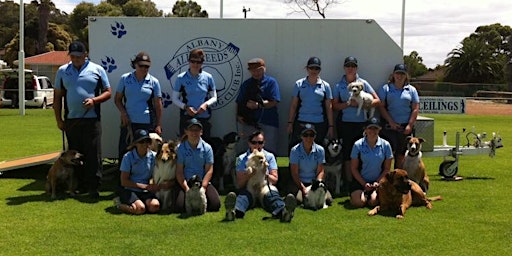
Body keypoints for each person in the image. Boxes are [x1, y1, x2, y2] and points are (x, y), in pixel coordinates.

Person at [53, 41, 112, 198]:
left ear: (85, 55)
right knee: (74, 156)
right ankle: (77, 186)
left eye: (79, 56)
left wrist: (94, 101)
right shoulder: (62, 71)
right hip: (72, 120)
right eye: (72, 56)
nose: (75, 59)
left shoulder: (97, 70)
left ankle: (93, 186)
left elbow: (108, 92)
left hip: (91, 120)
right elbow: (57, 97)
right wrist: (59, 120)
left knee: (93, 154)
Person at [224, 131, 297, 222]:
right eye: (254, 142)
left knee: (272, 196)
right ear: (249, 143)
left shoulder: (269, 156)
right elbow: (239, 184)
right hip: (249, 186)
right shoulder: (241, 158)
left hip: (265, 186)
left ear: (264, 143)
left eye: (260, 142)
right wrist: (250, 174)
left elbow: (274, 180)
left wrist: (265, 173)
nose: (257, 145)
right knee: (243, 197)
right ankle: (233, 211)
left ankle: (284, 211)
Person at [332, 56, 381, 191]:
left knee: (360, 154)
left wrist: (366, 105)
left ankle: (361, 182)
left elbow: (377, 101)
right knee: (347, 153)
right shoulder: (338, 85)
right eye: (348, 66)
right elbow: (334, 106)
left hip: (361, 124)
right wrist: (349, 105)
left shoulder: (363, 83)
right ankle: (349, 183)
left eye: (353, 66)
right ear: (344, 68)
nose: (350, 68)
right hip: (345, 123)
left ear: (356, 68)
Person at [115, 51, 163, 162]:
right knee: (125, 150)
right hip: (128, 121)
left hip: (146, 122)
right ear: (135, 64)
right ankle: (123, 177)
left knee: (145, 151)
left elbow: (158, 104)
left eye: (147, 66)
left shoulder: (154, 82)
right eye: (141, 65)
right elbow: (117, 100)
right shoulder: (125, 79)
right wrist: (123, 113)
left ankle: (145, 177)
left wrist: (159, 124)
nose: (144, 68)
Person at [173, 118, 221, 213]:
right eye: (191, 130)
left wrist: (203, 187)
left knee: (215, 205)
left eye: (197, 130)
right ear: (186, 131)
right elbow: (179, 171)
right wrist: (186, 189)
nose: (194, 133)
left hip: (201, 183)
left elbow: (209, 170)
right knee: (179, 207)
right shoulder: (181, 148)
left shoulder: (207, 148)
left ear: (201, 132)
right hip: (186, 182)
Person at [377, 64, 420, 169]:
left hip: (405, 127)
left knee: (401, 155)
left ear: (406, 76)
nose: (399, 76)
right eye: (397, 73)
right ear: (393, 74)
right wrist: (391, 122)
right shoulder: (385, 88)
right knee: (387, 154)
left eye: (402, 74)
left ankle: (398, 178)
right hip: (389, 127)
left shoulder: (411, 90)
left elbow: (415, 108)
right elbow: (381, 107)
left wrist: (410, 125)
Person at [236, 58, 281, 154]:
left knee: (269, 151)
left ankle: (271, 169)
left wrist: (259, 105)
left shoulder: (271, 82)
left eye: (259, 69)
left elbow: (275, 101)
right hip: (249, 123)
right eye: (253, 70)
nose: (256, 72)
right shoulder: (246, 84)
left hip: (268, 122)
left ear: (264, 69)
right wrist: (239, 116)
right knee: (248, 151)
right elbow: (239, 102)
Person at [287, 56, 334, 150]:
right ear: (307, 68)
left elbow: (329, 108)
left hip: (319, 123)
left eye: (317, 68)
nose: (314, 70)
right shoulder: (299, 84)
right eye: (311, 67)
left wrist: (331, 126)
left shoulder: (325, 86)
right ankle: (289, 165)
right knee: (295, 150)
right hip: (301, 122)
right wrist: (290, 123)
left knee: (318, 151)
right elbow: (293, 105)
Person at [172, 48, 217, 139]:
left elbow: (214, 97)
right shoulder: (181, 78)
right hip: (187, 117)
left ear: (202, 63)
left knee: (204, 145)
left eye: (198, 62)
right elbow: (174, 99)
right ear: (189, 61)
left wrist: (205, 105)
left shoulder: (208, 77)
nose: (195, 64)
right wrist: (186, 107)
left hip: (204, 117)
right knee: (185, 144)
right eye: (193, 61)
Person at [349, 118, 393, 208]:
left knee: (373, 202)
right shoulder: (358, 145)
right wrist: (364, 184)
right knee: (359, 203)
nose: (372, 131)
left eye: (375, 129)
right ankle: (359, 195)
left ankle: (370, 195)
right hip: (360, 181)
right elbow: (354, 168)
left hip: (377, 181)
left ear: (379, 129)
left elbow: (387, 169)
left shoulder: (386, 145)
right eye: (370, 128)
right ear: (365, 129)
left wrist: (377, 182)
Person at [115, 129, 161, 214]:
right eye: (141, 142)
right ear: (135, 143)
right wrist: (145, 186)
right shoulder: (128, 157)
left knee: (155, 206)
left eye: (147, 141)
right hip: (130, 189)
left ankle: (141, 203)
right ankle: (119, 204)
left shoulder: (154, 156)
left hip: (146, 190)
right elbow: (124, 181)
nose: (145, 144)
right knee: (140, 209)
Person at [289, 124, 332, 207]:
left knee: (329, 200)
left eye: (311, 135)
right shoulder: (295, 150)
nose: (308, 138)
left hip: (314, 182)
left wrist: (317, 184)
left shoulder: (320, 150)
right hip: (300, 182)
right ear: (301, 136)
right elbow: (294, 173)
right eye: (305, 135)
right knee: (299, 200)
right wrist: (303, 188)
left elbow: (321, 170)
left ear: (315, 136)